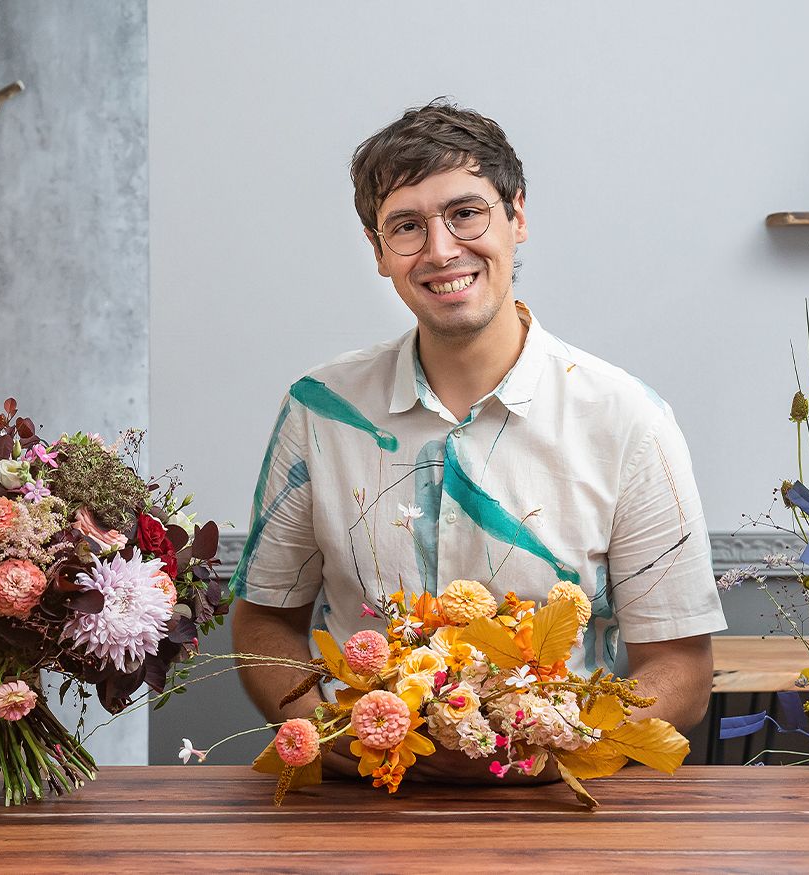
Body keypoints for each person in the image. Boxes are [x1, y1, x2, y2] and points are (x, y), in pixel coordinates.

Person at [229, 100, 725, 780]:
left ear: (516, 216)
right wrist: (333, 735)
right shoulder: (320, 410)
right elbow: (263, 621)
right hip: (363, 805)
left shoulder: (628, 420)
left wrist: (557, 752)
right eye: (406, 226)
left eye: (466, 213)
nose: (440, 250)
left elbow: (683, 669)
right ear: (379, 252)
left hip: (556, 810)